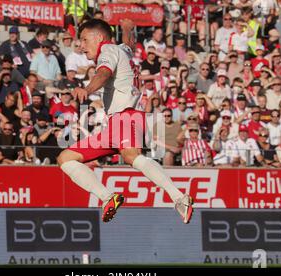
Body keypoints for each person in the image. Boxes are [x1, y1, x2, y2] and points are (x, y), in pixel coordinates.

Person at [57, 19, 193, 224]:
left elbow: (103, 73)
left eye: (84, 40)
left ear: (99, 38)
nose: (81, 46)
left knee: (131, 156)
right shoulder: (122, 50)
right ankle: (107, 197)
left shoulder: (108, 51)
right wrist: (129, 30)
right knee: (65, 158)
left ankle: (178, 197)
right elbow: (129, 45)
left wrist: (86, 90)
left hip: (125, 117)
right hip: (118, 122)